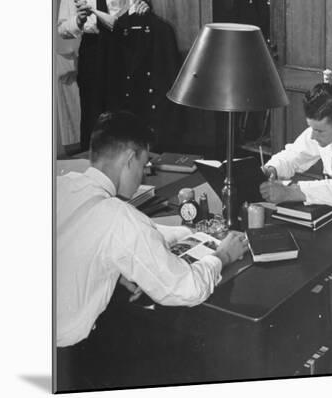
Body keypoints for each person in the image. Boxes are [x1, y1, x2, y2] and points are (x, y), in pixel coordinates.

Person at [56, 111, 248, 389]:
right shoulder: (119, 218)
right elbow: (186, 288)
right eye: (144, 163)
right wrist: (223, 256)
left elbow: (94, 236)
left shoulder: (61, 185)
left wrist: (186, 233)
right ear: (130, 158)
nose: (144, 172)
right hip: (66, 361)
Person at [57, 0, 149, 151]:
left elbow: (134, 11)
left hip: (121, 49)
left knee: (121, 110)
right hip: (92, 48)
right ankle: (91, 165)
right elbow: (62, 28)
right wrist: (77, 21)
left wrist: (139, 12)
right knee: (92, 111)